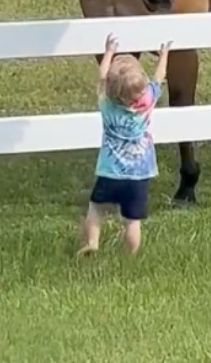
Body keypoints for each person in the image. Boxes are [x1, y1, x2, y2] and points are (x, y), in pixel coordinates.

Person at [77, 33, 172, 256]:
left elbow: (101, 78)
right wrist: (164, 56)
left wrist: (109, 52)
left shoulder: (107, 105)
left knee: (95, 209)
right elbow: (158, 79)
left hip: (110, 171)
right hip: (139, 176)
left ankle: (92, 242)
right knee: (132, 222)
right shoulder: (146, 102)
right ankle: (130, 256)